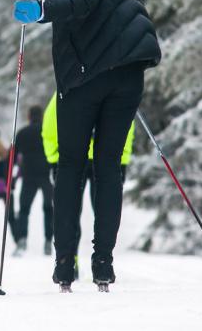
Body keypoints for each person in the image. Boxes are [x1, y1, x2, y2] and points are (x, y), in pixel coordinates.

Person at [13, 0, 161, 291]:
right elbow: (122, 8)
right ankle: (103, 265)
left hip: (86, 74)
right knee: (109, 168)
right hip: (128, 71)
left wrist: (40, 9)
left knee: (72, 167)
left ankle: (65, 265)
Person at [42, 92, 135, 281]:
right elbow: (125, 128)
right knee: (102, 208)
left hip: (73, 159)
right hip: (105, 160)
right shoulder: (115, 90)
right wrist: (122, 160)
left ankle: (69, 260)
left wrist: (53, 159)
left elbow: (50, 126)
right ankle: (102, 261)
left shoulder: (66, 88)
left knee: (71, 210)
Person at [12, 106, 53, 257]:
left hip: (28, 175)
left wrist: (13, 178)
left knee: (24, 209)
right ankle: (48, 242)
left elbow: (13, 158)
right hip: (47, 174)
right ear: (42, 116)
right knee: (49, 208)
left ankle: (22, 240)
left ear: (29, 116)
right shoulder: (47, 131)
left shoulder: (22, 133)